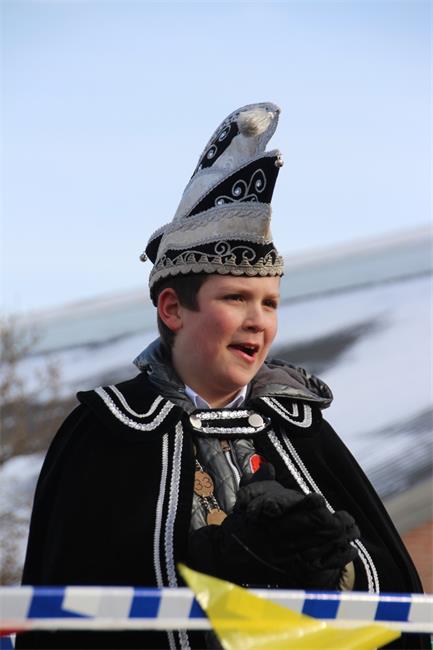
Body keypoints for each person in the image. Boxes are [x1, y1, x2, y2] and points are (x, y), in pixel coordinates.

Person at [16, 103, 429, 650]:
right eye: (235, 298)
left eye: (270, 303)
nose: (259, 320)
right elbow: (69, 616)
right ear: (172, 309)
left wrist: (337, 568)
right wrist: (212, 564)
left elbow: (396, 600)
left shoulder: (302, 429)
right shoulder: (108, 433)